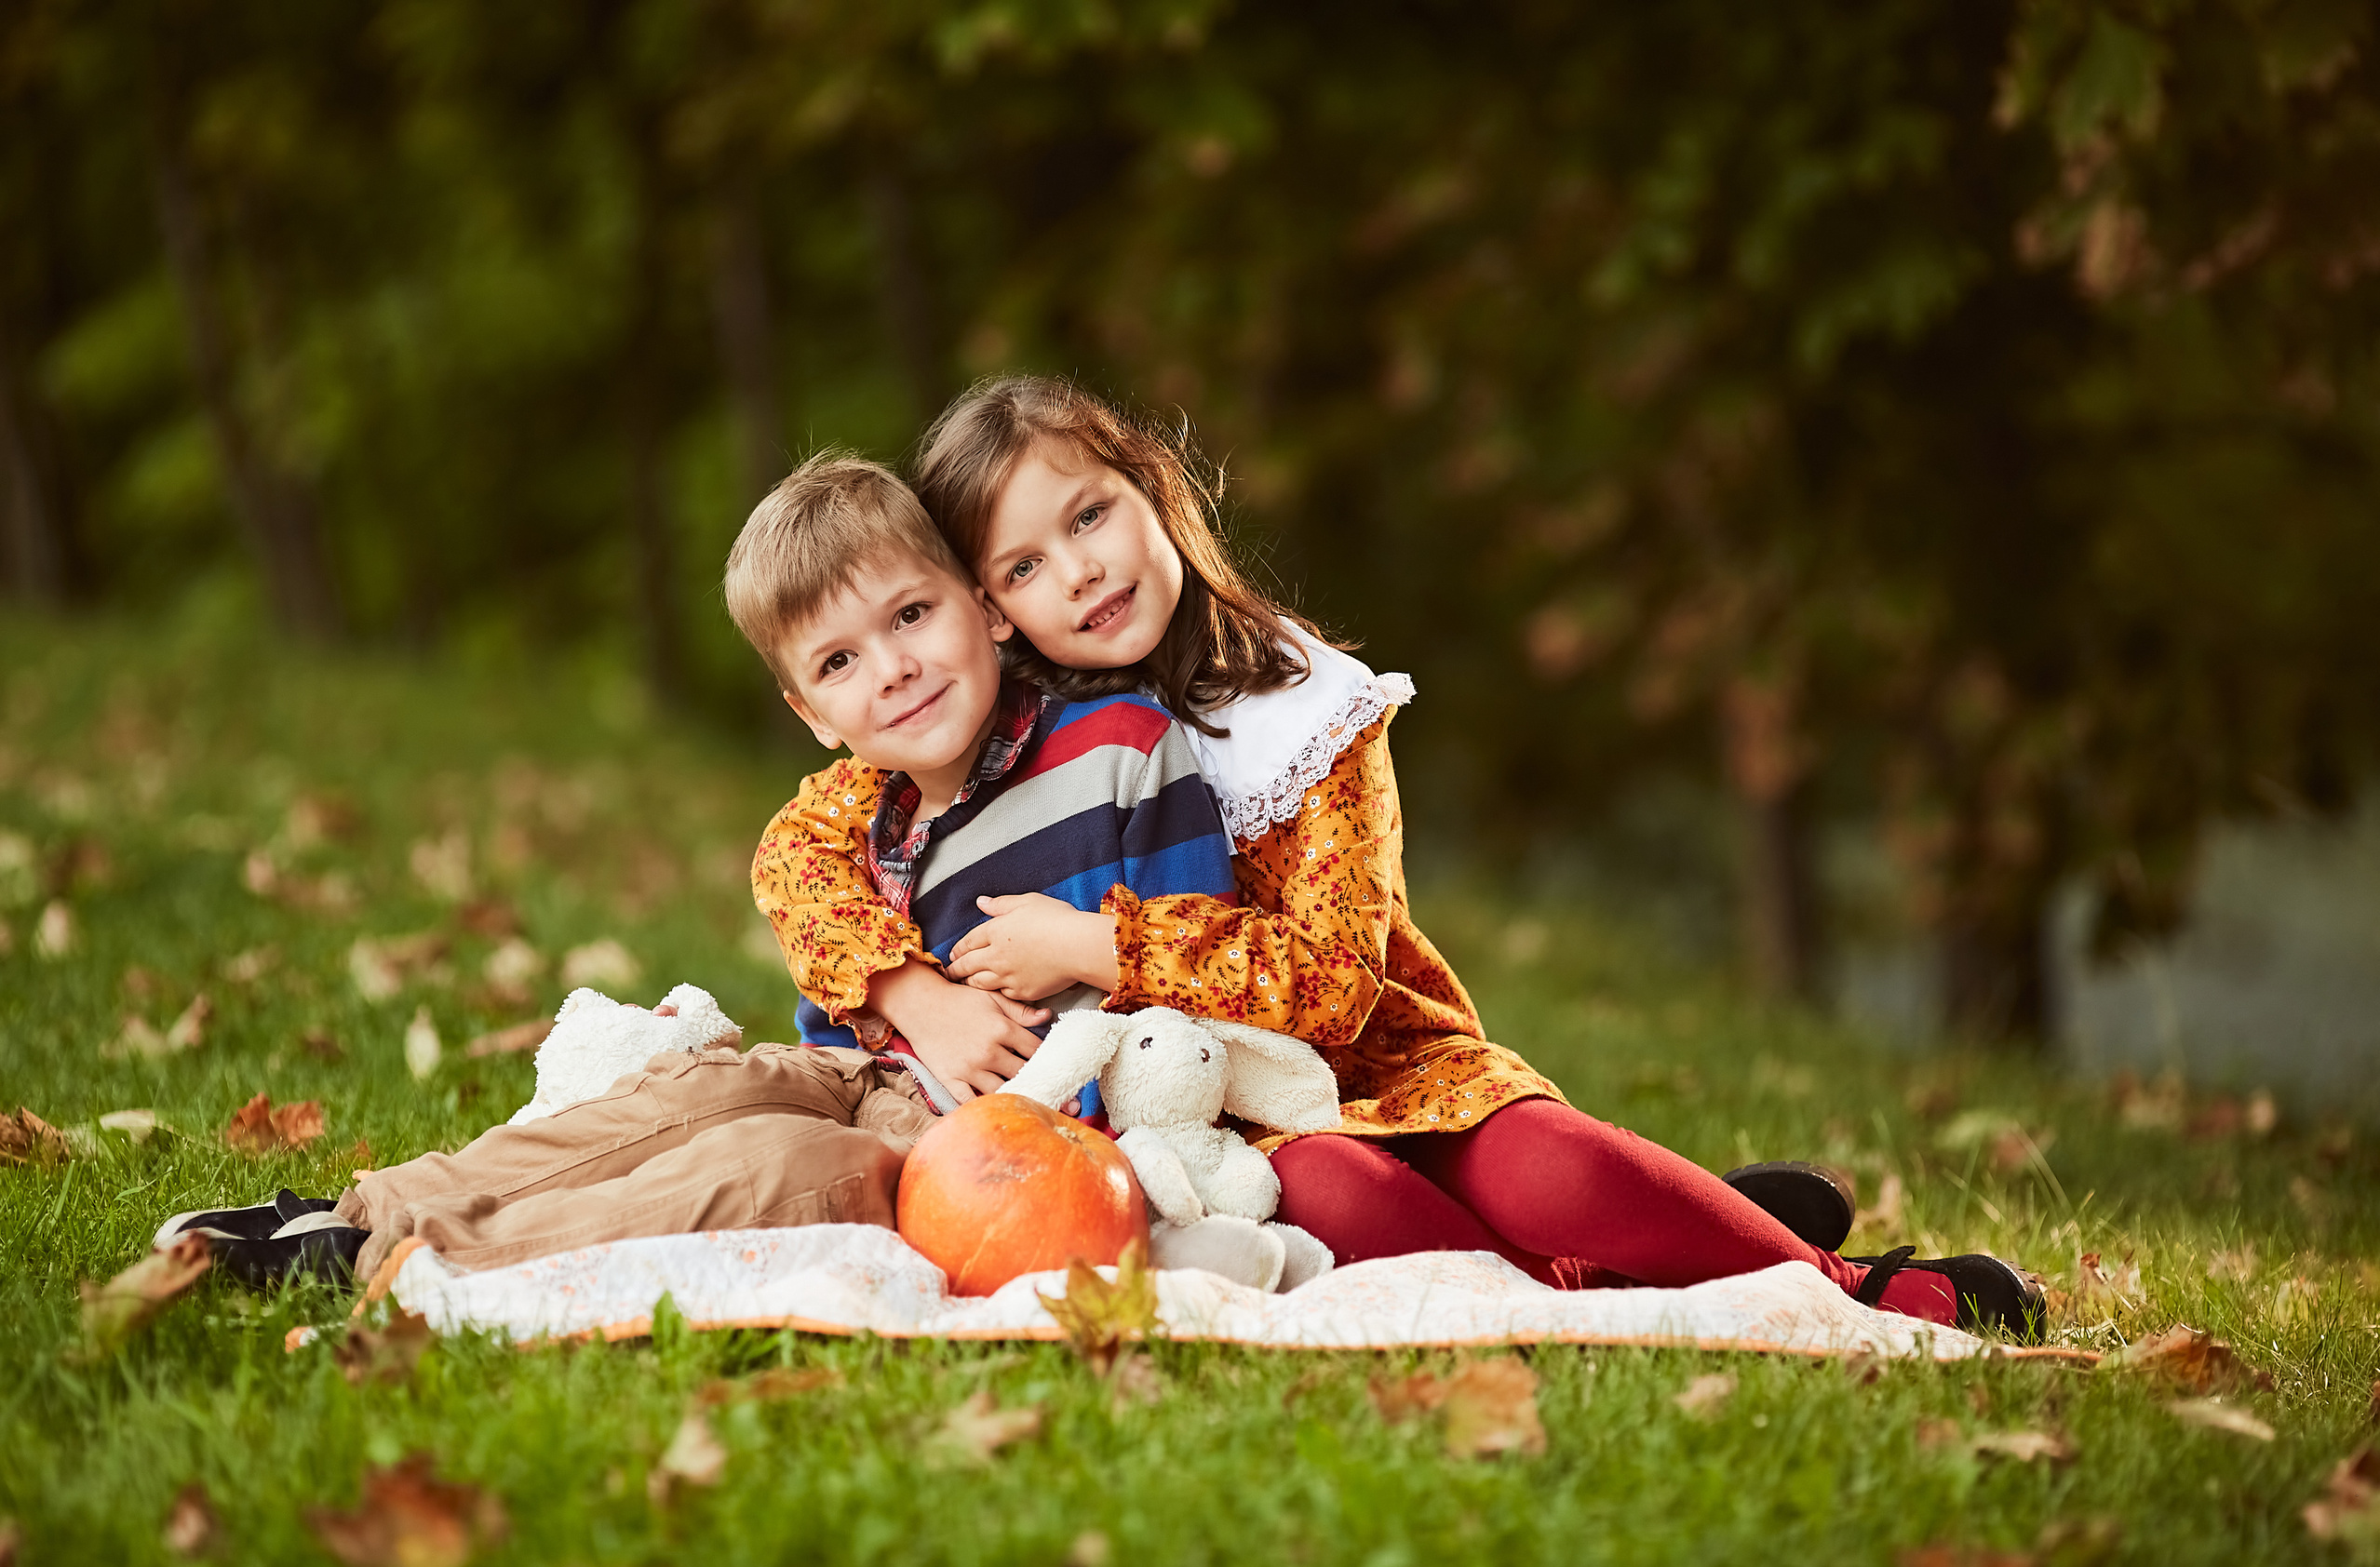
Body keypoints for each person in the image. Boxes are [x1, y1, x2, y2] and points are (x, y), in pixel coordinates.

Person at [753, 375, 2046, 1339]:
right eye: (1024, 563)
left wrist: (1095, 943)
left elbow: (1333, 987)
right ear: (991, 606)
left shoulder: (1300, 701)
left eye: (1090, 515)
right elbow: (797, 849)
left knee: (1541, 1162)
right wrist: (910, 989)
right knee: (1329, 1197)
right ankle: (1607, 1268)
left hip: (1386, 1060)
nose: (1078, 573)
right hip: (1235, 1115)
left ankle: (1850, 1288)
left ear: (1155, 486)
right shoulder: (993, 716)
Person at [159, 451, 1239, 1289]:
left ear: (985, 608)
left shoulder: (1119, 747)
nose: (896, 669)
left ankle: (402, 1259)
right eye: (839, 663)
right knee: (700, 1095)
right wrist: (918, 1006)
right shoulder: (862, 804)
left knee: (771, 1171)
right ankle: (358, 1208)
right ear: (811, 715)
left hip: (999, 1136)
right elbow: (804, 905)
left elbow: (1202, 984)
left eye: (912, 615)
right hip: (858, 1075)